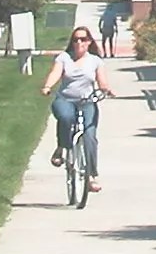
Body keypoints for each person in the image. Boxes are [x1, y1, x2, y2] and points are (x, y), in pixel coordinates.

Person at [41, 27, 117, 191]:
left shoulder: (95, 61)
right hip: (65, 100)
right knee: (66, 117)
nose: (79, 43)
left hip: (87, 101)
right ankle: (61, 148)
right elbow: (56, 73)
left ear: (89, 41)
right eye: (75, 40)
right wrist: (47, 86)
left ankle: (91, 176)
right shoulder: (64, 58)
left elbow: (102, 81)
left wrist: (106, 89)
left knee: (90, 136)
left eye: (83, 39)